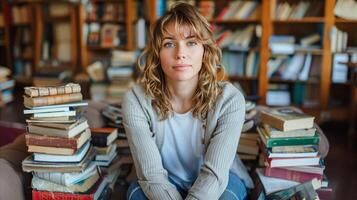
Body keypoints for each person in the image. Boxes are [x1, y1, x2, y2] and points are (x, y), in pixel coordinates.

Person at [122, 2, 253, 200]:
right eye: (169, 44)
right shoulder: (136, 100)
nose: (180, 54)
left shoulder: (230, 99)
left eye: (191, 42)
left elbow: (214, 175)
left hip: (220, 180)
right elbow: (151, 175)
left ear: (205, 50)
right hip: (163, 180)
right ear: (157, 54)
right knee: (137, 195)